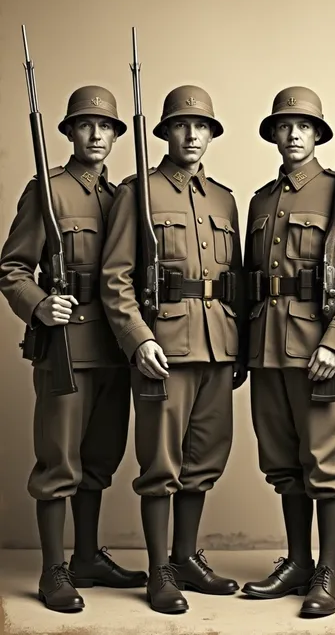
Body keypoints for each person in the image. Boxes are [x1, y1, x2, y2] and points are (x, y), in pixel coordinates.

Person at [0, 86, 147, 612]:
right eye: (86, 125)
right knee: (59, 463)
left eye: (106, 127)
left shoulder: (126, 196)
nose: (97, 135)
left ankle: (87, 555)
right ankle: (53, 570)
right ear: (68, 132)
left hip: (116, 345)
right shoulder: (48, 190)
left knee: (101, 459)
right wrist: (39, 305)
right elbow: (12, 268)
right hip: (66, 345)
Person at [100, 85, 245, 615]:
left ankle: (186, 558)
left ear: (211, 134)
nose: (193, 134)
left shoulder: (224, 198)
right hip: (164, 347)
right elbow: (115, 278)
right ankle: (159, 570)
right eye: (182, 125)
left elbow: (239, 281)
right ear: (164, 133)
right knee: (160, 463)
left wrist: (241, 352)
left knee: (204, 459)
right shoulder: (136, 192)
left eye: (202, 126)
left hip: (218, 347)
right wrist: (138, 339)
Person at [240, 86, 335, 617]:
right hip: (267, 351)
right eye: (284, 126)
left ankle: (326, 573)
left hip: (317, 351)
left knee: (325, 465)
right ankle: (297, 562)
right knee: (281, 463)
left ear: (319, 135)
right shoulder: (260, 200)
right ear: (273, 133)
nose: (293, 134)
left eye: (304, 127)